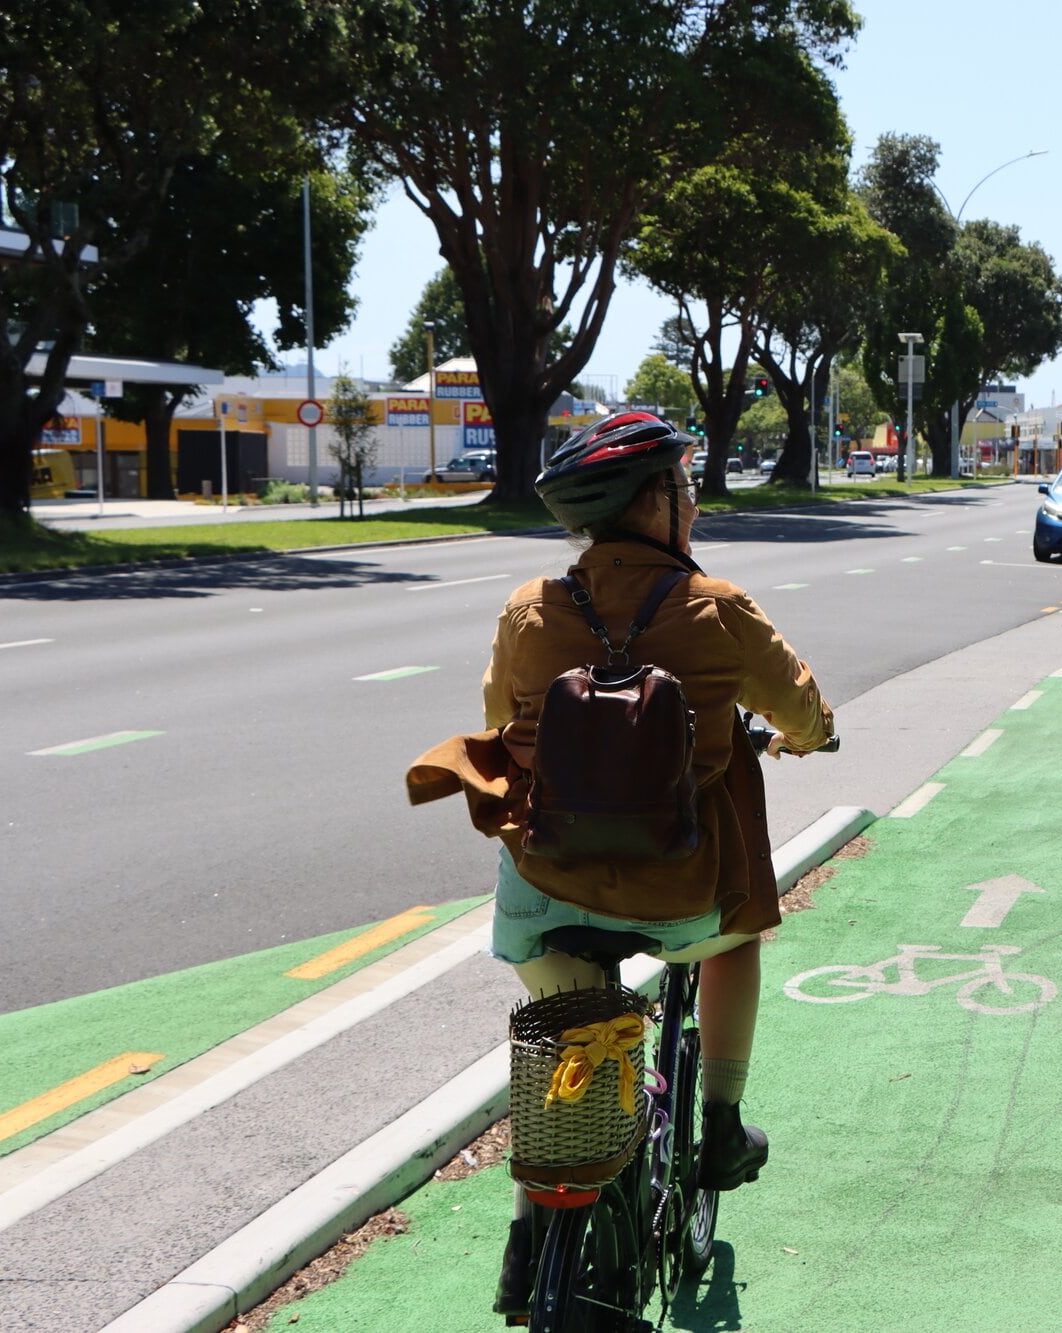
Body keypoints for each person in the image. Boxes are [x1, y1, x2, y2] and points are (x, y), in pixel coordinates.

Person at [406, 412, 832, 1313]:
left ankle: (529, 1237)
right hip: (681, 901)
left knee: (569, 1040)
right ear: (654, 502)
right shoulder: (717, 607)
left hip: (545, 898)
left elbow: (497, 719)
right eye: (686, 485)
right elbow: (804, 711)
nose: (696, 501)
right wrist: (809, 738)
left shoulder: (530, 611)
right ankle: (718, 1124)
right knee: (738, 935)